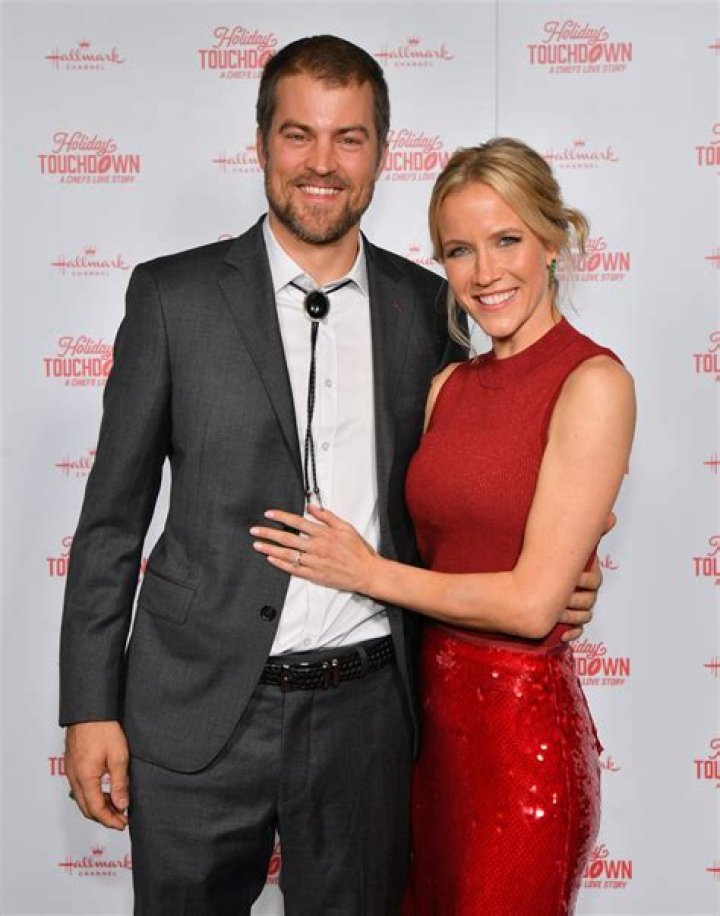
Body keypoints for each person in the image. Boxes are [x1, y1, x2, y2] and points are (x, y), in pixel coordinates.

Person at [59, 36, 601, 916]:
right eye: (298, 134)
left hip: (367, 722)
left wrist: (565, 570)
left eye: (349, 138)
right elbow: (111, 523)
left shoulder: (430, 307)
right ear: (261, 144)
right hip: (193, 712)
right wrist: (90, 708)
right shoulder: (171, 299)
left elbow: (468, 484)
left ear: (381, 153)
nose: (322, 162)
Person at [252, 138, 636, 915]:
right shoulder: (449, 385)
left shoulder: (593, 381)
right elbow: (449, 551)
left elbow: (531, 605)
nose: (485, 272)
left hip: (519, 744)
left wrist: (366, 572)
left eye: (507, 240)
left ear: (552, 240)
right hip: (422, 736)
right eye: (460, 250)